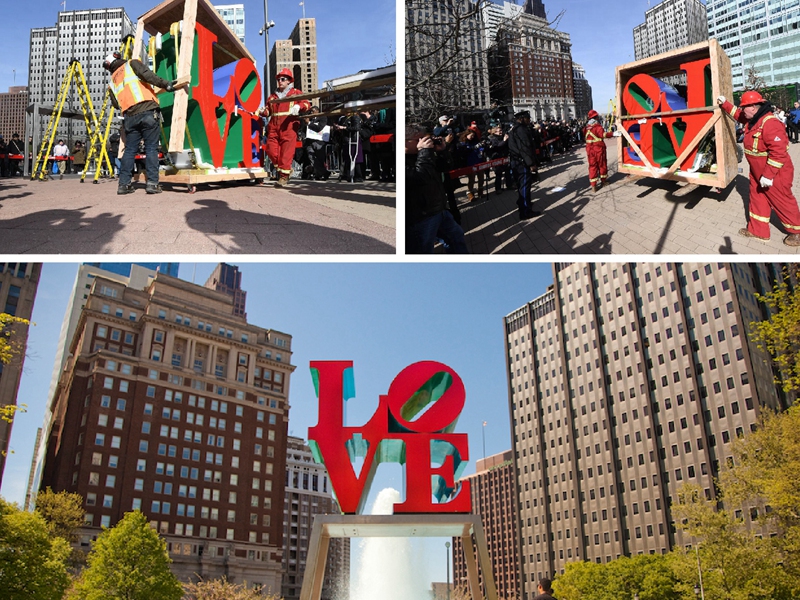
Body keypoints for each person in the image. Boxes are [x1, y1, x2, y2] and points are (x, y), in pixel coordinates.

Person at [718, 92, 800, 246]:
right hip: (757, 171)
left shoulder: (770, 123)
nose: (743, 110)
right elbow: (738, 115)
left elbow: (779, 152)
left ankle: (797, 232)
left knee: (782, 200)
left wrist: (768, 175)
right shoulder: (753, 119)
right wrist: (725, 104)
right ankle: (758, 230)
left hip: (775, 174)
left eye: (744, 107)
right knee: (757, 199)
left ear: (754, 108)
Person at [103, 51, 184, 195]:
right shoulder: (131, 64)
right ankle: (152, 184)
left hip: (129, 117)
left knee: (129, 150)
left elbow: (115, 104)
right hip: (147, 110)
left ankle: (123, 185)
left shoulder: (111, 82)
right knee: (151, 148)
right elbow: (148, 75)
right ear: (118, 58)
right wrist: (166, 84)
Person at [406, 124, 468, 254]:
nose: (424, 141)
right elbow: (420, 178)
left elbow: (446, 168)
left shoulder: (424, 154)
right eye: (419, 139)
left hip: (439, 209)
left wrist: (442, 152)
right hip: (420, 217)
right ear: (405, 142)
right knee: (423, 250)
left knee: (456, 239)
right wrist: (424, 152)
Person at [258, 68, 310, 187]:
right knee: (271, 150)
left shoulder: (296, 93)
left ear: (289, 81)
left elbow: (307, 104)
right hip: (273, 127)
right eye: (278, 79)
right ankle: (285, 171)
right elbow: (268, 111)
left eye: (283, 79)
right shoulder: (272, 97)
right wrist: (262, 111)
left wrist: (299, 107)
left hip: (289, 126)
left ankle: (283, 177)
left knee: (286, 152)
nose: (280, 81)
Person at [507, 110, 541, 220]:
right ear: (521, 118)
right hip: (522, 163)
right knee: (525, 187)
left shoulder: (515, 129)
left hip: (517, 162)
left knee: (522, 186)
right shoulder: (521, 130)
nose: (529, 120)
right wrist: (531, 163)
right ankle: (526, 211)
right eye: (527, 118)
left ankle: (523, 204)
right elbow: (524, 148)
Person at [583, 109, 617, 192]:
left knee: (592, 166)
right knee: (602, 164)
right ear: (596, 117)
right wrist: (613, 133)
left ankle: (593, 186)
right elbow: (603, 135)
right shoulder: (597, 127)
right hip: (598, 148)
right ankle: (603, 181)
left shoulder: (585, 128)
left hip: (589, 149)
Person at [457, 126, 485, 201]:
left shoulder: (475, 142)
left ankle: (480, 191)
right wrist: (473, 148)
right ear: (466, 135)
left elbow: (480, 148)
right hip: (470, 163)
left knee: (481, 178)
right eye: (471, 135)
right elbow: (463, 152)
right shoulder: (463, 143)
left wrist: (482, 148)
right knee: (472, 179)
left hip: (479, 161)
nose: (472, 137)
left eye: (473, 136)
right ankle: (470, 193)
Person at [302, 106, 330, 180]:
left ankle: (321, 173)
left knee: (320, 159)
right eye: (310, 111)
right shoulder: (309, 118)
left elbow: (319, 128)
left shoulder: (323, 117)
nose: (311, 113)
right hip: (309, 142)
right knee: (311, 157)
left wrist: (309, 123)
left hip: (319, 142)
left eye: (313, 111)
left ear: (317, 111)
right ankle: (323, 172)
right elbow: (304, 129)